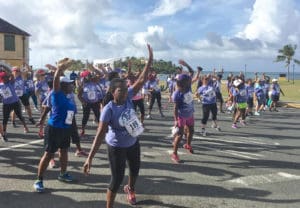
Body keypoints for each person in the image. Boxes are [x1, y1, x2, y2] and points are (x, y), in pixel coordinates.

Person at [83, 44, 153, 208]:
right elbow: (100, 134)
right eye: (120, 90)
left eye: (124, 89)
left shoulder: (129, 96)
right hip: (116, 147)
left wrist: (149, 60)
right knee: (116, 179)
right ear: (113, 92)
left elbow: (142, 79)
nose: (123, 92)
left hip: (133, 142)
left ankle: (130, 188)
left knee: (135, 171)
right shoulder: (108, 109)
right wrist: (89, 158)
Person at [33, 58, 75, 192]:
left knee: (64, 151)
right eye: (69, 84)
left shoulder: (69, 96)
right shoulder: (57, 95)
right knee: (49, 154)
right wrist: (59, 69)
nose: (72, 86)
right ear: (62, 86)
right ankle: (39, 180)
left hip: (65, 129)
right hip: (54, 129)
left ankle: (63, 174)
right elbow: (56, 80)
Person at [171, 73, 195, 163]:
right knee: (180, 135)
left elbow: (191, 73)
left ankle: (187, 145)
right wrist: (176, 120)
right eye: (187, 80)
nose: (189, 80)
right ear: (183, 82)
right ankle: (174, 154)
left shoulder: (188, 87)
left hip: (190, 114)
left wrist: (186, 64)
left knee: (191, 130)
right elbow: (175, 108)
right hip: (181, 116)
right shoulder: (177, 94)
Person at [0, 69, 29, 142]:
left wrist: (7, 73)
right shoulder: (0, 85)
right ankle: (4, 132)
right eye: (3, 78)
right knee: (5, 119)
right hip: (6, 104)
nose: (5, 79)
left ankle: (25, 127)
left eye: (6, 77)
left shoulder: (11, 82)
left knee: (20, 116)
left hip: (15, 102)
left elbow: (12, 75)